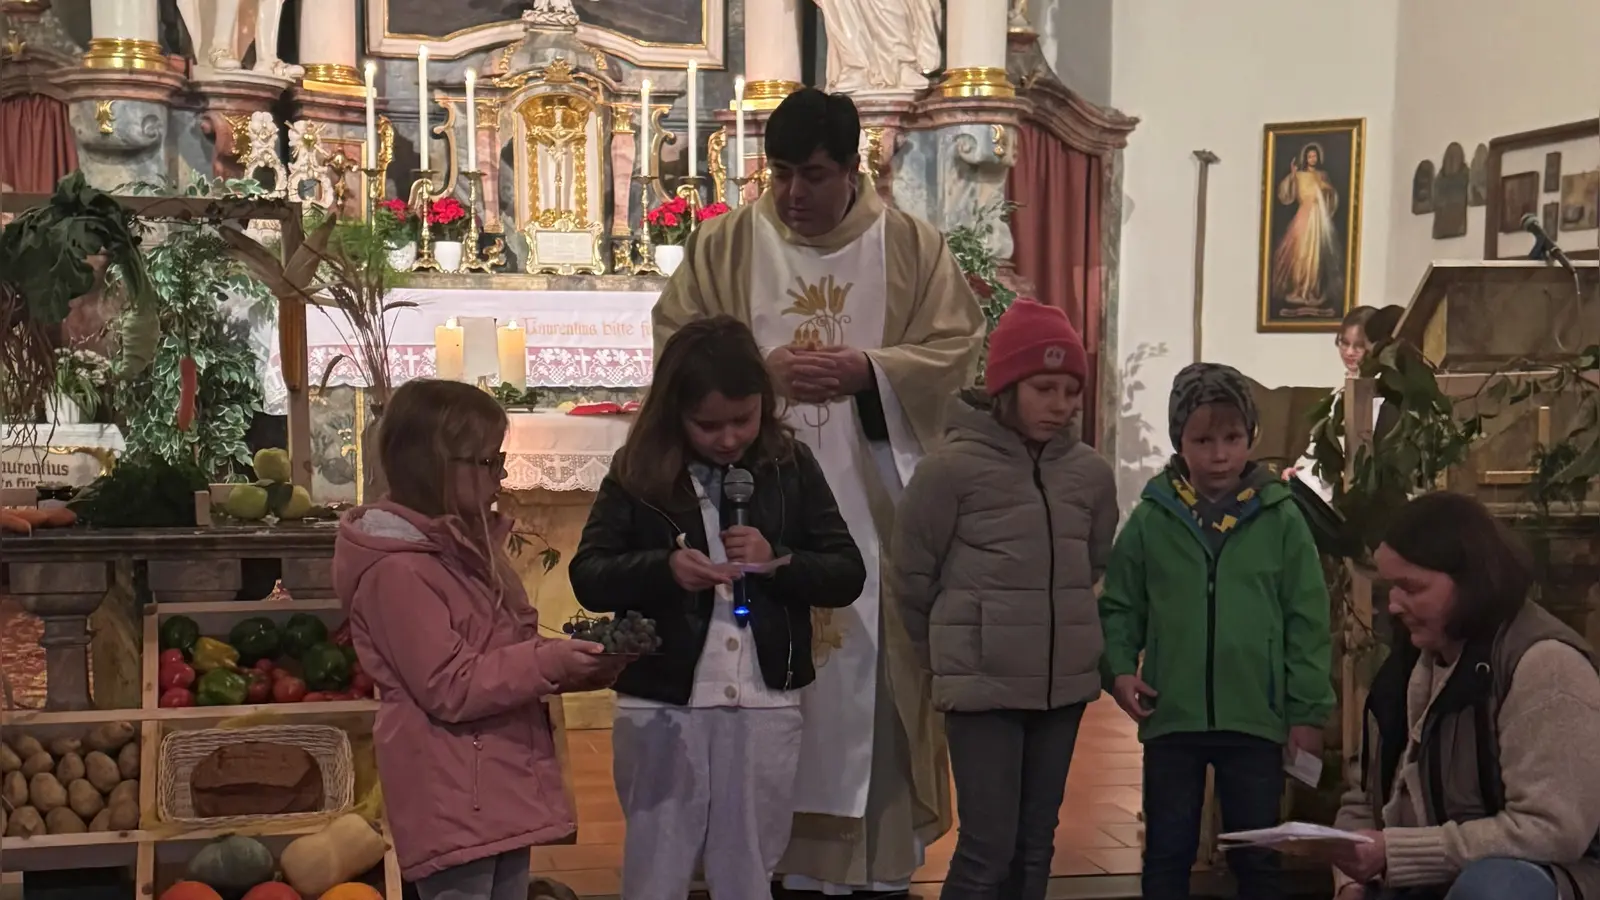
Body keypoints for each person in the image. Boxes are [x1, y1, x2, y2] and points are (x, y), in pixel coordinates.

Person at [653, 86, 984, 894]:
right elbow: (675, 343)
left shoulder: (908, 247)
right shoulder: (727, 246)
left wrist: (870, 371)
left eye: (813, 174)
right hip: (741, 514)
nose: (793, 194)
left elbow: (956, 350)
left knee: (861, 687)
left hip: (870, 517)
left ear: (853, 168)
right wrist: (753, 377)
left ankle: (864, 868)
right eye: (779, 174)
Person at [568, 316, 868, 900]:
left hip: (763, 698)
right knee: (657, 867)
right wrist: (663, 569)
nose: (729, 438)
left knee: (748, 868)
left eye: (743, 420)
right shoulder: (638, 471)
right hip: (663, 701)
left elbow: (846, 572)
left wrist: (778, 558)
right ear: (674, 413)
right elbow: (590, 575)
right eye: (708, 425)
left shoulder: (790, 465)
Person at [333, 379, 625, 900]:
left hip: (493, 777)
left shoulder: (464, 548)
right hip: (449, 787)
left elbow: (505, 652)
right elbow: (451, 685)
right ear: (436, 465)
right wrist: (551, 662)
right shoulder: (397, 571)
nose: (502, 475)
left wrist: (575, 668)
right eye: (488, 462)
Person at [893, 300, 1119, 900]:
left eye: (1071, 390)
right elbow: (912, 579)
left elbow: (1091, 562)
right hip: (983, 690)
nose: (1061, 404)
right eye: (1045, 387)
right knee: (987, 848)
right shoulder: (949, 471)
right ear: (1005, 386)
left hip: (1062, 688)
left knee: (1035, 844)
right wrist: (949, 656)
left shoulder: (1089, 474)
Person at [1098, 362, 1335, 900]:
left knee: (1257, 858)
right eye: (1203, 439)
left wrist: (1306, 711)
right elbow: (1120, 604)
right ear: (1180, 441)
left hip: (1255, 717)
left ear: (1250, 436)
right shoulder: (1152, 520)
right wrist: (1117, 669)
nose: (1220, 454)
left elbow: (1307, 619)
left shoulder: (1280, 518)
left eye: (1232, 437)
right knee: (1167, 852)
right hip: (1172, 715)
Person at [1328, 492, 1600, 900]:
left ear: (1471, 582)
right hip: (1421, 882)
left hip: (1541, 882)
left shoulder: (1545, 666)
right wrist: (1348, 881)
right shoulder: (1403, 669)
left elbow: (1551, 830)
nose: (1395, 605)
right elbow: (1362, 796)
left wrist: (1396, 852)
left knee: (1496, 888)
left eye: (1411, 588)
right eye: (1391, 588)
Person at [1272, 141, 1342, 311]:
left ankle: (1312, 291)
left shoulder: (1322, 175)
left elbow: (1331, 196)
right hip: (1304, 215)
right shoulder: (1299, 175)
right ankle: (1299, 289)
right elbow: (1286, 195)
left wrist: (1326, 190)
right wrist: (1293, 175)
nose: (1313, 158)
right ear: (1305, 157)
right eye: (1310, 156)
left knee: (1315, 256)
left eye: (1315, 155)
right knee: (1300, 253)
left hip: (1318, 219)